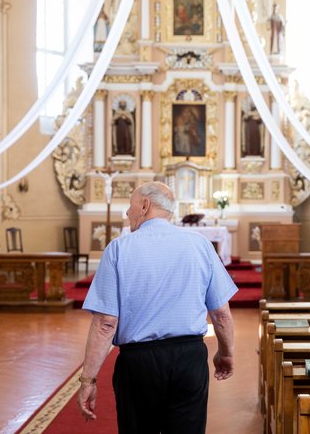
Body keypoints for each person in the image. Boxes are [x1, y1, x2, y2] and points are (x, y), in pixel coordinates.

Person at [77, 181, 237, 433]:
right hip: (189, 358)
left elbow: (106, 323)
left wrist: (88, 379)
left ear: (144, 205)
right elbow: (221, 314)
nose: (127, 213)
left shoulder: (119, 249)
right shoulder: (200, 245)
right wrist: (226, 353)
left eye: (129, 206)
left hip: (139, 363)